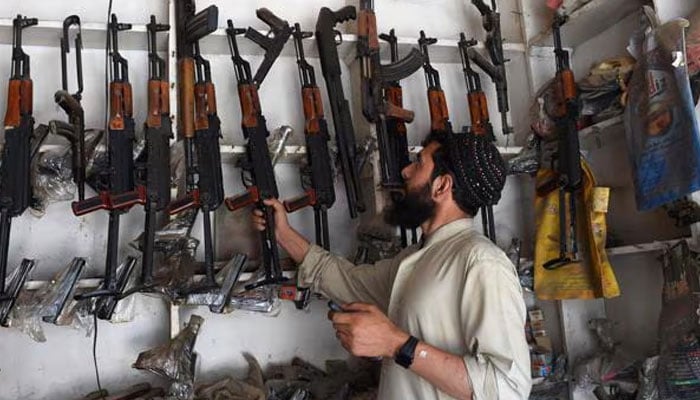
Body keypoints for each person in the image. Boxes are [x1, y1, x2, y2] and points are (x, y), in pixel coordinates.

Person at [252, 132, 531, 399]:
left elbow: (507, 388)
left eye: (419, 163)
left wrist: (397, 345)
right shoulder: (417, 257)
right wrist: (284, 235)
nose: (406, 172)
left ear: (442, 185)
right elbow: (347, 281)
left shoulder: (482, 263)